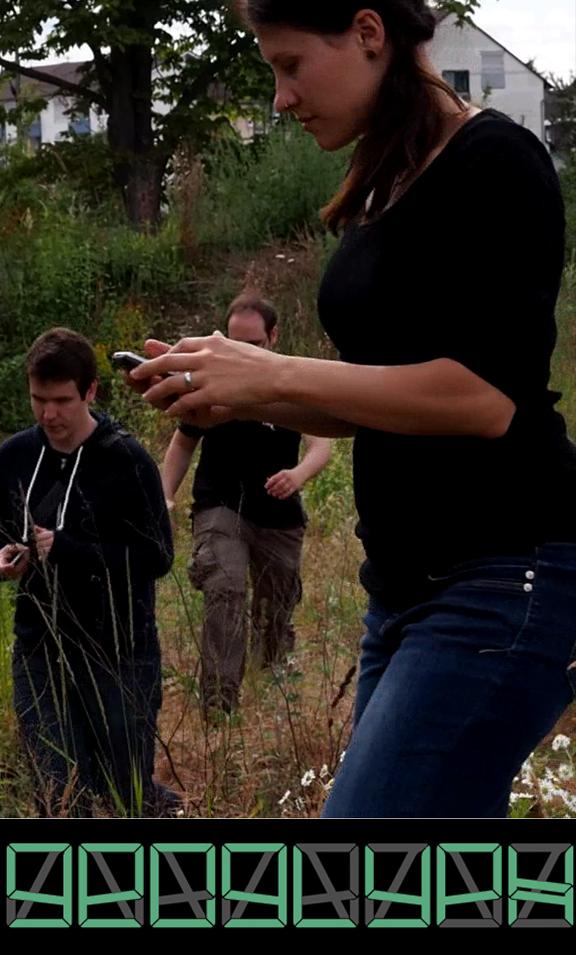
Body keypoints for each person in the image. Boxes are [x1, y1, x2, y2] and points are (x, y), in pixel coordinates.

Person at [131, 1, 576, 818]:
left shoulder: (495, 161)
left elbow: (483, 399)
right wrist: (238, 391)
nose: (281, 98)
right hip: (401, 590)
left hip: (501, 575)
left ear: (369, 33)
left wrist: (271, 374)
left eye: (291, 65)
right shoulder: (387, 179)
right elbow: (382, 396)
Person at [0, 328, 176, 817]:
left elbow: (157, 557)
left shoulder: (127, 460)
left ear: (90, 391)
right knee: (57, 791)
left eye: (62, 401)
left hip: (118, 649)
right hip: (40, 644)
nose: (49, 415)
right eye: (39, 400)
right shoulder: (15, 456)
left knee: (124, 791)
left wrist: (69, 550)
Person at [161, 294, 332, 714]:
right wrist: (163, 495)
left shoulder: (292, 382)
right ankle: (220, 700)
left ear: (273, 336)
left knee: (277, 603)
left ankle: (271, 675)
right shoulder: (210, 382)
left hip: (278, 513)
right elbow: (182, 443)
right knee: (225, 587)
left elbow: (321, 445)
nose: (244, 352)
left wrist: (298, 475)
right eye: (236, 342)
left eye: (253, 344)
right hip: (220, 504)